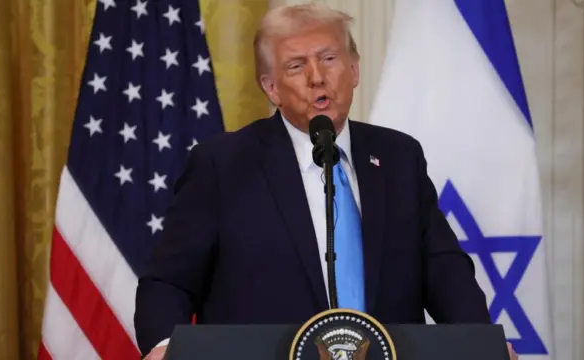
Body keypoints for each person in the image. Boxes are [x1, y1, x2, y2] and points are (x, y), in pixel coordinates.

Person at [134, 3, 518, 360]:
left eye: (329, 59)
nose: (317, 77)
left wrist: (482, 344)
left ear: (353, 69)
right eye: (297, 66)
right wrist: (166, 347)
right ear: (271, 88)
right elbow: (169, 282)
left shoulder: (399, 157)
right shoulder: (223, 165)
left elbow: (444, 271)